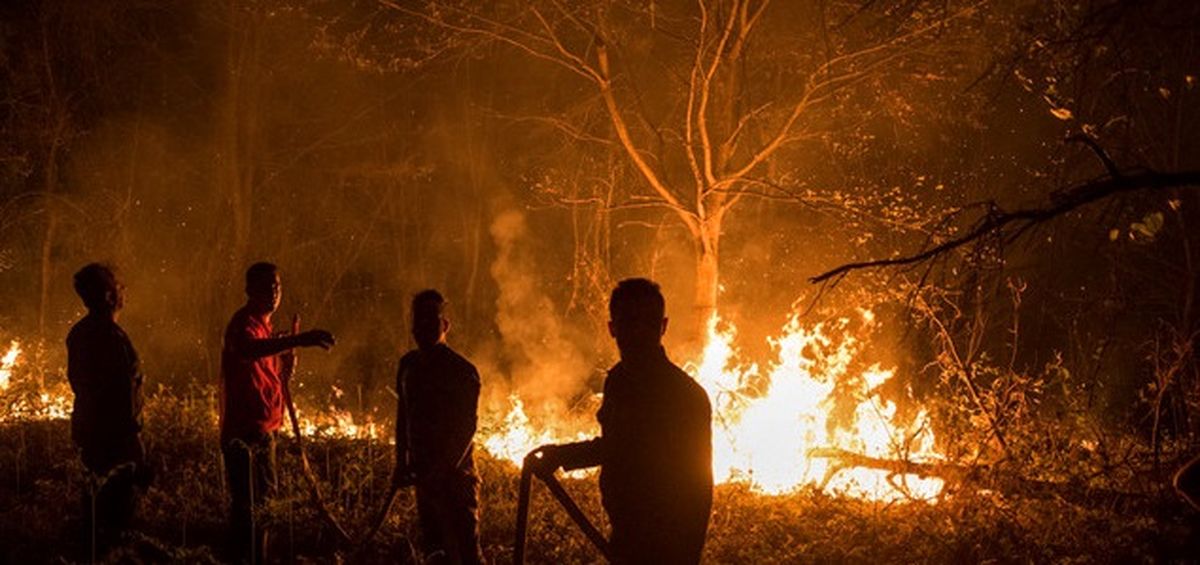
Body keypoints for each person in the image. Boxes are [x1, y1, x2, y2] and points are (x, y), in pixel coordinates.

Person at [530, 278, 713, 565]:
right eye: (629, 322)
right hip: (626, 533)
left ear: (663, 326)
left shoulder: (685, 395)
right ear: (612, 328)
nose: (639, 332)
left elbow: (698, 488)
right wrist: (561, 455)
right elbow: (618, 446)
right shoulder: (617, 381)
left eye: (648, 323)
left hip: (668, 544)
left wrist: (686, 554)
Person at [219, 262, 334, 563]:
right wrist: (299, 340)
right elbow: (247, 350)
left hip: (264, 429)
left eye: (277, 286)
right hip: (244, 432)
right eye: (265, 287)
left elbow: (268, 375)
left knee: (264, 504)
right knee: (251, 508)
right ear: (249, 291)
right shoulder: (243, 324)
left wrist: (286, 365)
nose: (273, 292)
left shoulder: (266, 330)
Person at [393, 289, 484, 564]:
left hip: (456, 482)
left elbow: (466, 429)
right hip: (424, 478)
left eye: (431, 320)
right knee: (435, 551)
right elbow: (403, 417)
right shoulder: (408, 365)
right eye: (418, 320)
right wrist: (401, 462)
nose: (423, 327)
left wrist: (442, 472)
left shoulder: (462, 371)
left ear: (445, 325)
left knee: (466, 550)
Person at [66, 263, 150, 549]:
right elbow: (121, 396)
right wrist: (135, 441)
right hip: (114, 442)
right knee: (115, 517)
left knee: (95, 508)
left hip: (90, 435)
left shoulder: (80, 333)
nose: (123, 290)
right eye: (118, 286)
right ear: (107, 296)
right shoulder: (109, 338)